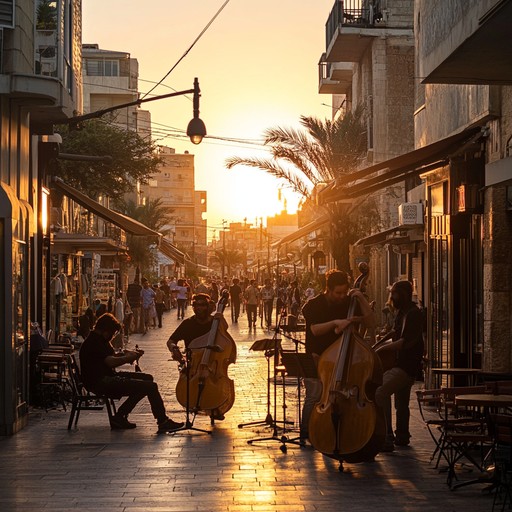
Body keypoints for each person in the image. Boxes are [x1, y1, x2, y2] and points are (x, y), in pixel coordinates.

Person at [300, 269, 376, 442]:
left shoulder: (349, 302)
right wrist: (336, 322)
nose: (342, 296)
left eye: (344, 292)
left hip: (343, 360)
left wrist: (361, 298)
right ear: (328, 289)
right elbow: (315, 329)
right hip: (317, 357)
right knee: (314, 395)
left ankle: (338, 431)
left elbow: (371, 322)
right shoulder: (314, 304)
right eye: (338, 293)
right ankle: (307, 433)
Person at [79, 313, 183, 433]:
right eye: (112, 334)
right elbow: (111, 362)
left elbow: (111, 356)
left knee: (147, 379)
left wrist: (127, 354)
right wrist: (127, 358)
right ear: (106, 331)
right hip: (100, 382)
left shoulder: (101, 340)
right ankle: (162, 421)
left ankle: (120, 416)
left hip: (108, 377)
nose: (112, 337)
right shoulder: (94, 342)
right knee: (150, 387)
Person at [166, 293, 234, 420]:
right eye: (196, 305)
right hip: (194, 364)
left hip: (213, 364)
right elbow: (171, 340)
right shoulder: (188, 324)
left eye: (202, 305)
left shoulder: (215, 323)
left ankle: (215, 405)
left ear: (209, 307)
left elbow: (224, 332)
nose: (199, 308)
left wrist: (220, 318)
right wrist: (174, 349)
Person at [374, 280, 424, 452]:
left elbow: (405, 342)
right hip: (403, 365)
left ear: (403, 294)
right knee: (401, 404)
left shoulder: (413, 314)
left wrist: (382, 348)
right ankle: (402, 436)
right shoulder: (402, 312)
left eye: (394, 293)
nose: (392, 297)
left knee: (380, 391)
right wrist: (380, 341)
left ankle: (386, 435)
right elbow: (396, 332)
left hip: (405, 365)